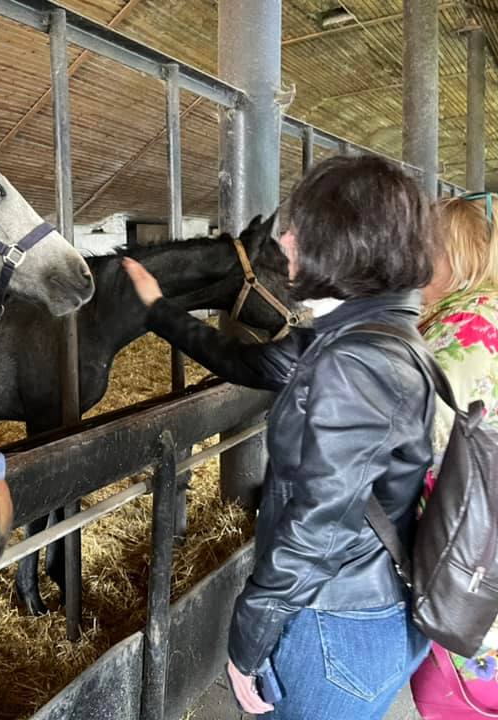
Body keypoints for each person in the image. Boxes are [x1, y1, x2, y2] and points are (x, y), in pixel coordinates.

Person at [123, 154, 436, 719]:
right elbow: (243, 361)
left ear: (340, 242)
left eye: (298, 227)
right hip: (360, 609)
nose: (287, 241)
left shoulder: (355, 361)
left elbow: (319, 525)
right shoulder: (369, 335)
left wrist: (248, 640)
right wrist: (158, 309)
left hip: (332, 626)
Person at [409, 193, 498, 719]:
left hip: (470, 569)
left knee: (456, 698)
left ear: (444, 259)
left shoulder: (448, 336)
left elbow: (411, 452)